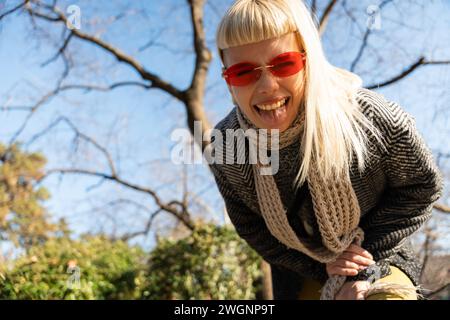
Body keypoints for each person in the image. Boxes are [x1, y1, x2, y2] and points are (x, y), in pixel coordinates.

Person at [208, 0, 443, 300]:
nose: (267, 86)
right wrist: (322, 264)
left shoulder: (369, 118)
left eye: (284, 64)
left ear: (308, 62)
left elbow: (422, 187)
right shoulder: (227, 146)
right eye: (243, 72)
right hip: (300, 273)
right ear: (228, 82)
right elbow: (252, 227)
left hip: (381, 256)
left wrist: (363, 259)